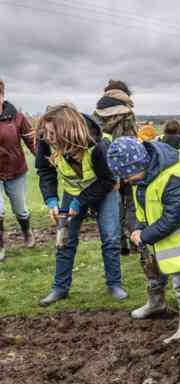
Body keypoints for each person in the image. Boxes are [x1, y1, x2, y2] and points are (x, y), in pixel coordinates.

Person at [107, 136, 180, 343]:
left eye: (127, 174)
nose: (126, 180)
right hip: (162, 235)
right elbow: (142, 210)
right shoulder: (143, 178)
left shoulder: (173, 177)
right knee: (153, 270)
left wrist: (145, 235)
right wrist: (139, 227)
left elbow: (173, 218)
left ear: (140, 163)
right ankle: (156, 304)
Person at [36, 104, 127, 305]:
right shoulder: (44, 139)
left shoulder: (98, 146)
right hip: (72, 191)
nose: (48, 136)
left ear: (67, 131)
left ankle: (114, 284)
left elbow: (108, 181)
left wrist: (80, 202)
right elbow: (45, 171)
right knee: (64, 238)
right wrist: (51, 200)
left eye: (53, 133)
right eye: (47, 132)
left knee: (110, 238)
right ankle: (60, 288)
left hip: (104, 190)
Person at [93, 80, 138, 256]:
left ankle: (120, 245)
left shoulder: (96, 113)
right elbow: (131, 142)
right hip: (126, 164)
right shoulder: (127, 113)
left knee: (114, 204)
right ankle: (136, 241)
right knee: (132, 204)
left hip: (104, 165)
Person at [0, 79, 36, 261]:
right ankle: (0, 246)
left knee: (20, 209)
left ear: (2, 96)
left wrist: (43, 158)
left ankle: (27, 231)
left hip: (16, 170)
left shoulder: (17, 117)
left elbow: (31, 140)